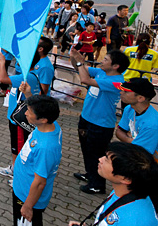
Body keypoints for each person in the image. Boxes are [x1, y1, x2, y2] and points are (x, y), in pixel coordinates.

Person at [70, 49, 130, 194]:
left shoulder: (117, 81)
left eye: (106, 59)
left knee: (96, 153)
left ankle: (97, 185)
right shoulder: (101, 72)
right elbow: (79, 68)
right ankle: (90, 174)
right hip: (86, 118)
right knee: (86, 150)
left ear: (115, 66)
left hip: (101, 125)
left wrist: (80, 62)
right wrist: (75, 58)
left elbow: (85, 79)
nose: (102, 60)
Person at [68, 142, 158, 226]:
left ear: (125, 178)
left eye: (107, 159)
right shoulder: (122, 191)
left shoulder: (133, 221)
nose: (100, 159)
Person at [12, 95, 62, 226]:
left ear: (43, 119)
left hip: (27, 197)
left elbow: (40, 183)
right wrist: (29, 94)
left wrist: (28, 206)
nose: (26, 113)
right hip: (22, 189)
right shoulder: (50, 124)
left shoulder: (46, 148)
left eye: (29, 111)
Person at [0, 51, 42, 181]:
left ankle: (18, 176)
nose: (16, 61)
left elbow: (2, 79)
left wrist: (2, 62)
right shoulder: (25, 74)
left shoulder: (28, 77)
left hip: (19, 121)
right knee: (15, 146)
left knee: (19, 146)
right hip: (14, 118)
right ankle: (14, 168)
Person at [114, 78, 158, 160]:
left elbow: (141, 153)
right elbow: (119, 132)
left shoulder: (152, 124)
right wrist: (134, 141)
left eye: (126, 91)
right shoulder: (129, 109)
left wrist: (130, 140)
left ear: (140, 98)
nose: (121, 92)